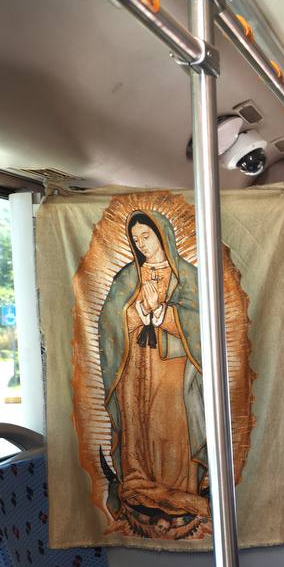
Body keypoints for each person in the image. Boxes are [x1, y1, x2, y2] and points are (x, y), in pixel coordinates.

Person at [99, 210, 210, 539]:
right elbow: (109, 322)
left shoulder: (187, 276)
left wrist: (162, 312)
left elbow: (201, 322)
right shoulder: (128, 276)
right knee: (138, 425)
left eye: (146, 236)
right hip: (134, 367)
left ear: (163, 236)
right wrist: (138, 310)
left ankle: (180, 490)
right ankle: (138, 484)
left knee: (171, 426)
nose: (141, 244)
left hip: (172, 367)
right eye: (136, 240)